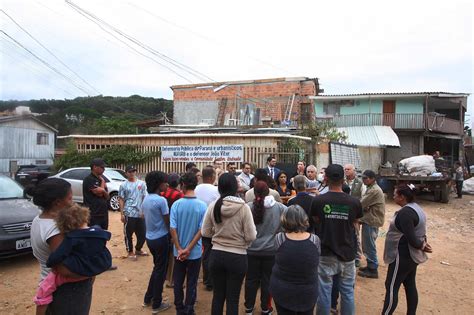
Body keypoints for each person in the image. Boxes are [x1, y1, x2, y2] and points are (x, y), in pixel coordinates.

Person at [29, 178, 94, 314]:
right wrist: (92, 269)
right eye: (70, 199)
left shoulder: (39, 219)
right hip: (67, 291)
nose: (73, 202)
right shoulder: (55, 230)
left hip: (52, 285)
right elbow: (64, 269)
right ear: (57, 202)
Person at [34, 204, 112, 315]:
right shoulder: (99, 231)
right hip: (97, 265)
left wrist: (51, 263)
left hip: (75, 270)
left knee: (45, 289)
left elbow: (59, 255)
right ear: (85, 217)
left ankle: (40, 311)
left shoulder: (72, 238)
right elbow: (107, 237)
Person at [201, 173, 257, 315]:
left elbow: (205, 232)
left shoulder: (214, 206)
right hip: (237, 257)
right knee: (233, 299)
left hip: (216, 255)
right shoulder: (244, 208)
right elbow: (251, 235)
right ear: (235, 187)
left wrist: (218, 234)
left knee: (218, 297)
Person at [311, 164, 363, 315]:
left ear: (325, 178)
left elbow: (316, 220)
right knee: (347, 291)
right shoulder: (354, 202)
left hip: (326, 252)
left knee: (324, 291)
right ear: (343, 179)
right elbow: (356, 224)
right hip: (347, 253)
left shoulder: (318, 201)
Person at [382, 184, 432, 315]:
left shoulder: (405, 213)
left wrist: (421, 245)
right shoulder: (416, 208)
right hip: (411, 256)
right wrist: (422, 244)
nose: (393, 197)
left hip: (402, 255)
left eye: (395, 195)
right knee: (409, 285)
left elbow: (411, 238)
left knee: (391, 286)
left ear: (402, 197)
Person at [269, 205, 320, 315]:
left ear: (285, 219)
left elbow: (276, 256)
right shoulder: (315, 240)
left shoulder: (279, 238)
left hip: (282, 290)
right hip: (308, 291)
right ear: (304, 218)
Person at [244, 181, 286, 315]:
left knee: (251, 280)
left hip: (251, 251)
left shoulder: (247, 207)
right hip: (271, 251)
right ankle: (265, 308)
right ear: (269, 191)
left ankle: (249, 308)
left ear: (254, 192)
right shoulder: (279, 207)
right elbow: (289, 222)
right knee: (267, 280)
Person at [170, 172, 207, 315]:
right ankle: (189, 308)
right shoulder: (202, 206)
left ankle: (179, 308)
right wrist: (189, 249)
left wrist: (179, 248)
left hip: (178, 253)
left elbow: (173, 228)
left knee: (178, 281)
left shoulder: (176, 205)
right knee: (192, 281)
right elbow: (201, 230)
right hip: (195, 253)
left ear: (183, 185)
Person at [142, 171, 171, 313]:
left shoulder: (146, 199)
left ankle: (148, 297)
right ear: (159, 185)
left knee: (157, 268)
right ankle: (156, 303)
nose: (167, 185)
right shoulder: (161, 201)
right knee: (161, 271)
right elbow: (167, 221)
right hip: (161, 239)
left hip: (150, 238)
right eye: (165, 183)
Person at [195, 166, 220, 291]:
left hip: (197, 226)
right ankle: (210, 280)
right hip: (211, 226)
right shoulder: (216, 190)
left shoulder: (195, 189)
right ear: (211, 177)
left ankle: (204, 278)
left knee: (204, 253)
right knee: (211, 252)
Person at [358, 170, 385, 279]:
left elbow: (361, 204)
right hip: (371, 219)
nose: (363, 180)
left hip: (371, 220)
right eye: (363, 178)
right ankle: (370, 265)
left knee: (369, 245)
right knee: (368, 244)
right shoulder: (371, 188)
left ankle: (373, 268)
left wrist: (365, 207)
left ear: (372, 178)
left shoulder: (374, 190)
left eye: (365, 178)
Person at [118, 165, 148, 260]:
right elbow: (121, 199)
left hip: (140, 213)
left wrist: (144, 211)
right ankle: (130, 251)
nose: (132, 173)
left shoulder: (142, 184)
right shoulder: (123, 185)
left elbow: (144, 197)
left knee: (143, 234)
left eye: (133, 171)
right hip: (129, 213)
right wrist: (122, 214)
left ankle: (138, 249)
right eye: (130, 171)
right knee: (128, 233)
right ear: (126, 173)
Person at [161, 172, 184, 289]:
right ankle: (173, 280)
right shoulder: (179, 195)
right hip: (174, 227)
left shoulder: (162, 193)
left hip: (163, 227)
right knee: (175, 254)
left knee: (167, 255)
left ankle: (167, 279)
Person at [344, 164, 363, 267]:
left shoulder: (359, 183)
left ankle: (357, 256)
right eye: (345, 169)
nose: (346, 171)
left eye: (348, 169)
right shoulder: (342, 182)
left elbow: (362, 198)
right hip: (343, 211)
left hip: (354, 213)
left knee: (356, 234)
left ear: (353, 171)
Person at [82, 158, 110, 230]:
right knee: (94, 234)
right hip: (94, 214)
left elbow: (107, 196)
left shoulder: (101, 179)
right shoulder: (89, 179)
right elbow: (99, 194)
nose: (103, 169)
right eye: (102, 167)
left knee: (103, 233)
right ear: (94, 167)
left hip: (103, 213)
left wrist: (103, 190)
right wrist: (103, 189)